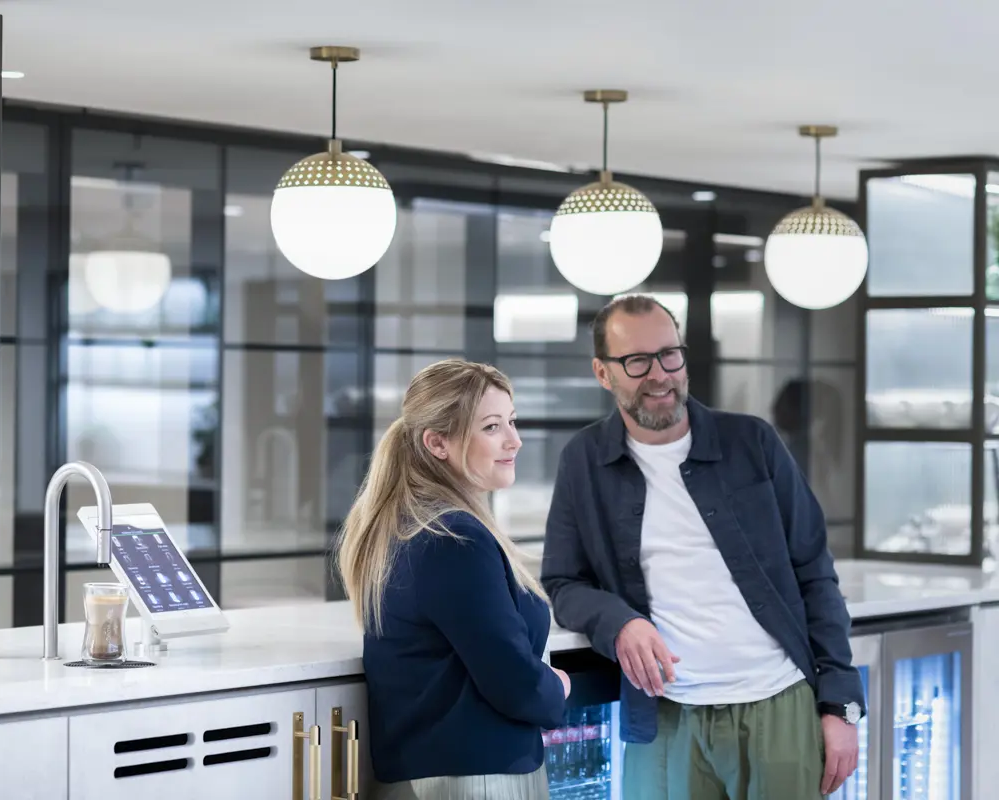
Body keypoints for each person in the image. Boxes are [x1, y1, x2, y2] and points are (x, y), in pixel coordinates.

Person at [540, 294, 864, 800]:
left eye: (670, 354)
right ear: (603, 373)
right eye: (636, 361)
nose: (660, 375)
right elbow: (563, 582)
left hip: (779, 705)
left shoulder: (752, 442)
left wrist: (840, 705)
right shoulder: (583, 461)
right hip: (665, 717)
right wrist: (620, 622)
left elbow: (815, 573)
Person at [336, 359, 570, 800]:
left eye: (512, 422)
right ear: (437, 443)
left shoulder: (413, 526)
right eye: (491, 427)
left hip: (436, 776)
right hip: (477, 780)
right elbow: (514, 682)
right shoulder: (454, 537)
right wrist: (557, 686)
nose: (514, 440)